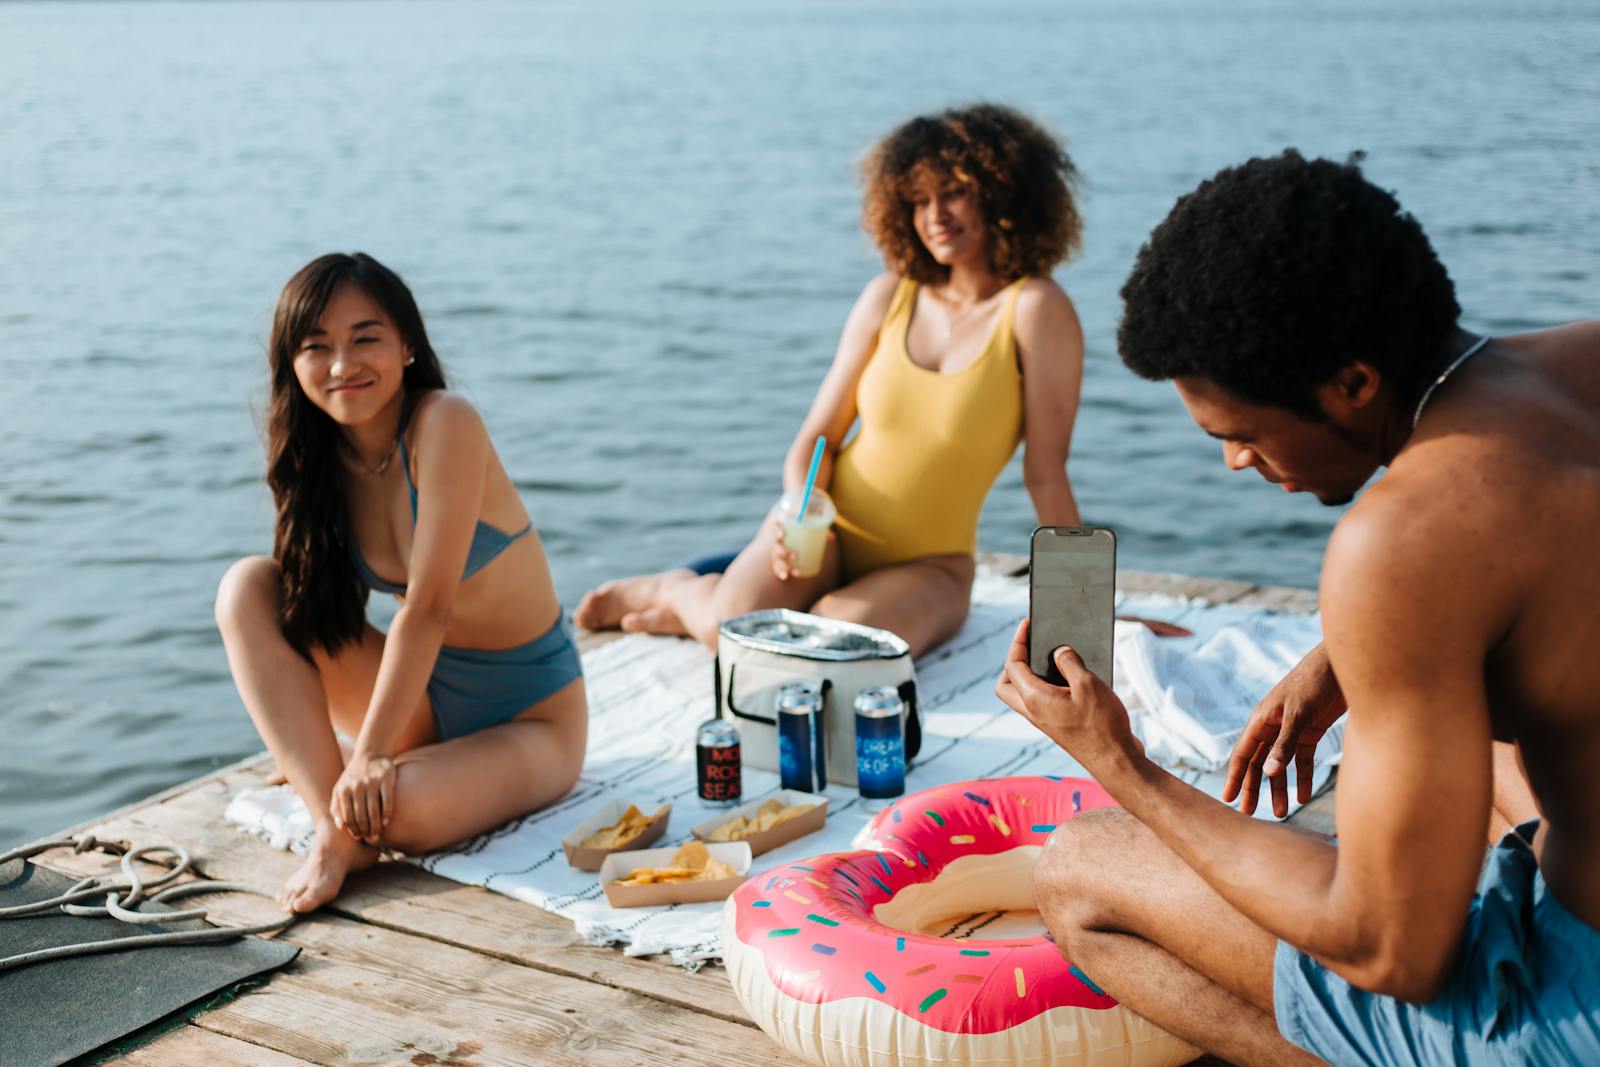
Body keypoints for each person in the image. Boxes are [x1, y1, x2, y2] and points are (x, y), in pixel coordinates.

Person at [996, 150, 1600, 1065]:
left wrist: (1124, 767)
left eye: (1238, 435)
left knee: (1083, 870)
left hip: (1576, 1009)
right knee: (1463, 734)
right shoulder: (1579, 364)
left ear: (1353, 384)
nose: (1235, 463)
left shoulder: (1401, 540)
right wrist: (1342, 655)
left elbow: (1393, 948)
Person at [574, 103, 1088, 657]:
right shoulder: (889, 296)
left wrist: (1082, 610)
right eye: (918, 199)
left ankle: (699, 607)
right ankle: (678, 593)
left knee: (835, 647)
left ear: (1003, 193)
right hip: (824, 531)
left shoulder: (1035, 309)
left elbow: (1046, 475)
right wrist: (800, 511)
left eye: (953, 193)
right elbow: (817, 439)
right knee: (738, 630)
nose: (935, 214)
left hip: (931, 565)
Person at [215, 253, 586, 914]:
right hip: (423, 699)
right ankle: (336, 829)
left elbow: (429, 605)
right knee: (248, 588)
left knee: (393, 811)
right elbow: (311, 611)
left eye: (365, 337)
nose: (341, 365)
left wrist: (373, 755)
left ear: (407, 344)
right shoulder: (318, 456)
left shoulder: (446, 422)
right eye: (316, 346)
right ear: (290, 362)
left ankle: (346, 816)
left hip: (532, 717)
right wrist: (324, 754)